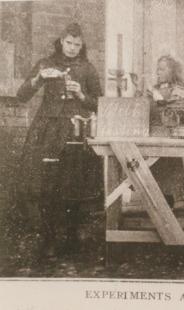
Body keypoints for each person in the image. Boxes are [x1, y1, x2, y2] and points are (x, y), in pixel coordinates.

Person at [16, 23, 103, 258]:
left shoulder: (87, 69)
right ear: (61, 41)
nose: (73, 48)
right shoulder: (46, 64)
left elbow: (101, 104)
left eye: (77, 44)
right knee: (46, 184)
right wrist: (38, 79)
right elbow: (22, 95)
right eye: (69, 43)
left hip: (75, 129)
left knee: (73, 183)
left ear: (81, 45)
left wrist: (81, 94)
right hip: (47, 130)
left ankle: (73, 238)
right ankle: (49, 238)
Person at [147, 55, 184, 207]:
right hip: (152, 138)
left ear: (172, 71)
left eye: (162, 69)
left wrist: (162, 101)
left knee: (168, 183)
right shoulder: (152, 90)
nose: (158, 72)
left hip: (169, 139)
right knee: (152, 182)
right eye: (157, 69)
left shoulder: (179, 91)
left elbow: (180, 113)